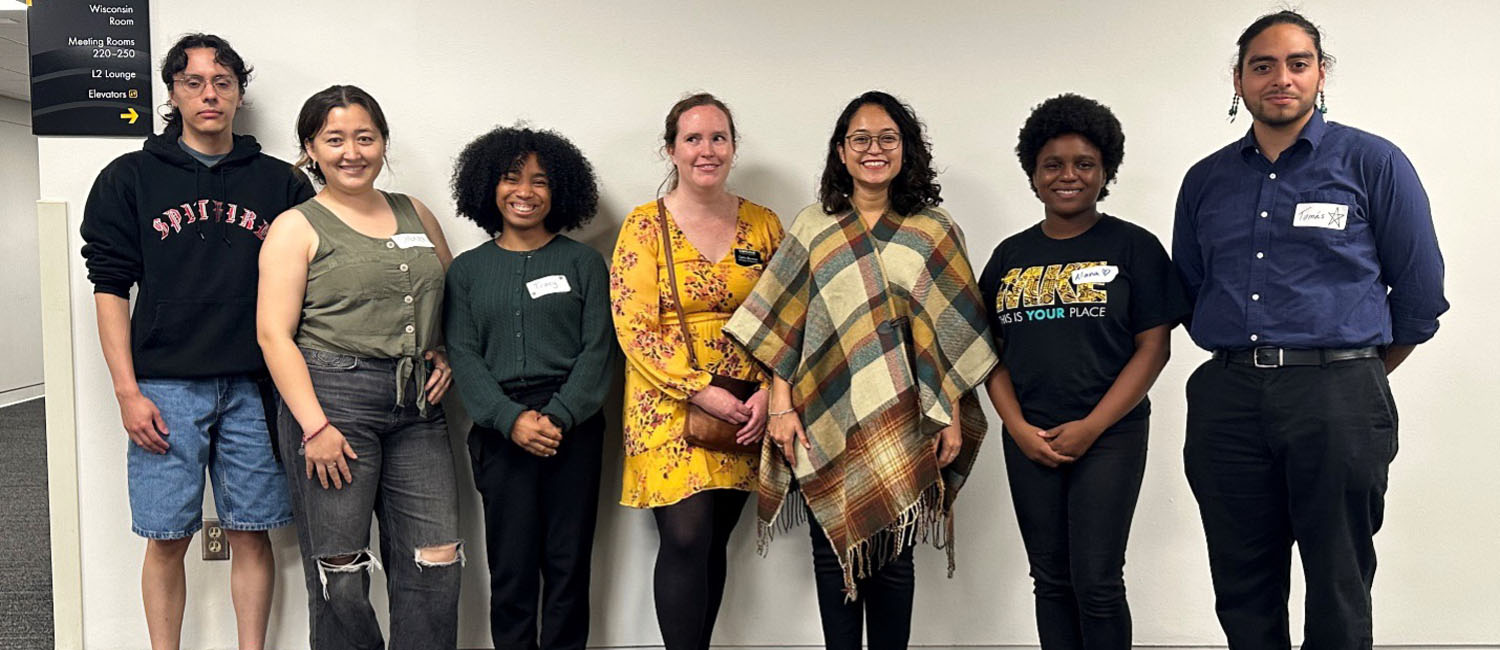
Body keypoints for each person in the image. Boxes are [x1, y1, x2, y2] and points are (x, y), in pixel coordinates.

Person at [1173, 11, 1447, 649]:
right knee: (1241, 579)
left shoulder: (1374, 162)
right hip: (1228, 398)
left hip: (1340, 394)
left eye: (1298, 63)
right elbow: (1190, 288)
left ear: (1322, 73)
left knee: (1339, 576)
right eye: (1262, 65)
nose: (1280, 78)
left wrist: (1352, 373)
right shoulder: (1205, 180)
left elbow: (1418, 295)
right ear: (1238, 81)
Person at [726, 90, 997, 650]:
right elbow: (785, 329)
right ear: (842, 152)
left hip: (907, 418)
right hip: (823, 415)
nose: (874, 150)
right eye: (861, 139)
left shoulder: (933, 230)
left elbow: (951, 338)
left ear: (906, 149)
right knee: (832, 557)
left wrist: (947, 414)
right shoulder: (813, 227)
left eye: (887, 138)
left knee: (895, 561)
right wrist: (779, 405)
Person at [79, 33, 312, 650]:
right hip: (162, 385)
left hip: (256, 387)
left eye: (223, 83)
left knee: (252, 532)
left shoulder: (281, 184)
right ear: (173, 95)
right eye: (193, 83)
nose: (209, 94)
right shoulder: (128, 178)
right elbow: (110, 288)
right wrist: (127, 392)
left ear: (239, 94)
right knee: (166, 538)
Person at [979, 94, 1189, 650]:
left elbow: (1154, 348)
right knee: (1049, 581)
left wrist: (1092, 426)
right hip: (1030, 437)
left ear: (1105, 173)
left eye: (1084, 164)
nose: (1067, 175)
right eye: (1053, 164)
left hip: (1110, 436)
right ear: (1032, 174)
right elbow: (985, 354)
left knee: (1095, 581)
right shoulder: (1009, 256)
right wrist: (1018, 428)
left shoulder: (1134, 247)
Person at [256, 85, 462, 650]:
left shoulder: (414, 211)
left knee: (436, 559)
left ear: (383, 142)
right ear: (311, 149)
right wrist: (314, 428)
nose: (353, 151)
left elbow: (443, 293)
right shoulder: (296, 225)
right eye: (335, 139)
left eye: (365, 137)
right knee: (340, 571)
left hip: (418, 407)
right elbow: (274, 334)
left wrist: (441, 349)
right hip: (331, 404)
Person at [609, 93, 781, 650]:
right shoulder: (643, 225)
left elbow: (789, 316)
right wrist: (698, 389)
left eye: (718, 138)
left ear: (732, 147)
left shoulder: (763, 225)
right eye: (693, 139)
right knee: (686, 536)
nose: (706, 150)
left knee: (713, 541)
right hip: (667, 401)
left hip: (746, 403)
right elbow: (633, 326)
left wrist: (769, 396)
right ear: (671, 150)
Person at [445, 125, 619, 650]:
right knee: (512, 567)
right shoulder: (467, 271)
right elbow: (463, 355)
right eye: (510, 178)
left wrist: (560, 415)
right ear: (488, 188)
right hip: (501, 428)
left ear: (560, 190)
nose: (525, 191)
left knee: (568, 565)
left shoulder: (584, 263)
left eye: (540, 181)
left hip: (575, 427)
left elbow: (599, 349)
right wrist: (510, 419)